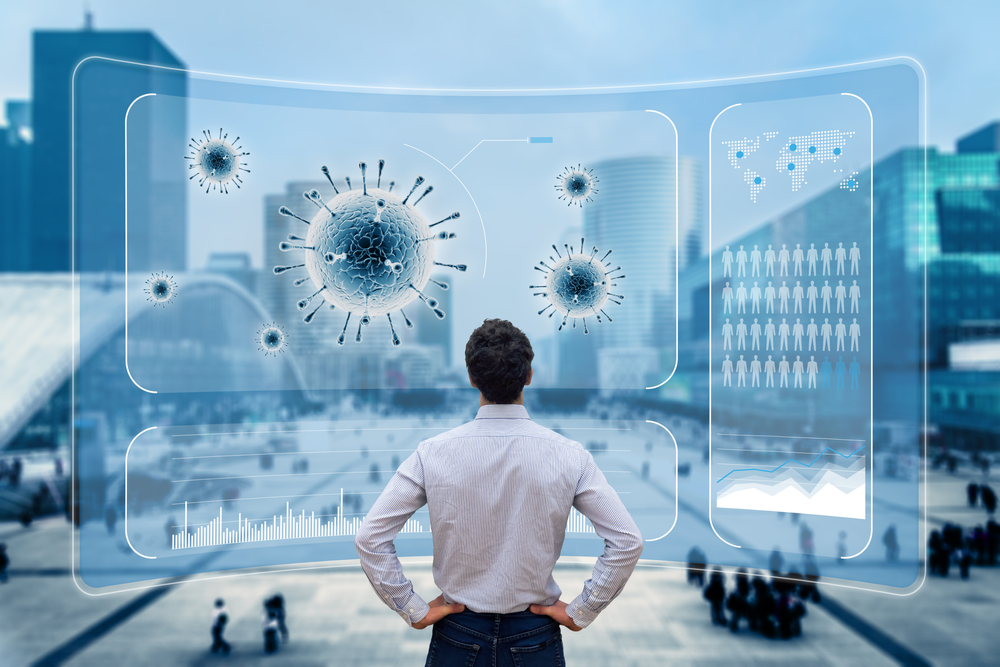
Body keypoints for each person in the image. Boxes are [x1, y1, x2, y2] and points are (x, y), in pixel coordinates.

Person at [355, 319, 643, 665]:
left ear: (472, 378)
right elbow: (627, 541)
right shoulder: (569, 455)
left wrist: (412, 607)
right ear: (529, 375)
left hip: (457, 634)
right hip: (535, 636)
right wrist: (581, 611)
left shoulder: (431, 453)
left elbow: (370, 538)